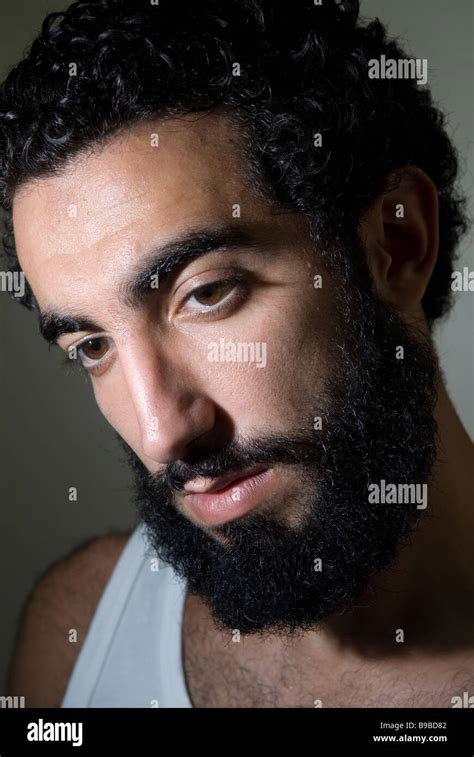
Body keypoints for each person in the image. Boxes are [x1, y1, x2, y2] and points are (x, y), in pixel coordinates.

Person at [2, 0, 472, 708]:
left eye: (208, 293)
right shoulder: (75, 624)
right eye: (92, 345)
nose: (163, 433)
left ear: (395, 245)